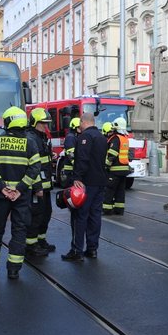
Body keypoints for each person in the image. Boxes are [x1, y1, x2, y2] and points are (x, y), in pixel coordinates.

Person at [0, 106, 40, 279]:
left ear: (8, 122)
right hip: (21, 197)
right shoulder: (31, 143)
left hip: (1, 195)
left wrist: (2, 187)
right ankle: (14, 270)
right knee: (19, 231)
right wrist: (20, 189)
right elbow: (35, 168)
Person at [62, 112, 108, 261]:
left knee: (80, 216)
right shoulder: (102, 137)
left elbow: (82, 159)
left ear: (83, 122)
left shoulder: (85, 137)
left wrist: (77, 177)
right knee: (95, 216)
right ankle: (92, 249)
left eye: (80, 123)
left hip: (86, 183)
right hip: (100, 182)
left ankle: (76, 251)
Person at [25, 107, 54, 257]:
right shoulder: (31, 138)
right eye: (43, 123)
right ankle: (31, 245)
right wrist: (37, 186)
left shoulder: (41, 137)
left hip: (46, 185)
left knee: (46, 213)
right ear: (35, 122)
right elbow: (32, 165)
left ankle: (41, 240)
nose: (46, 126)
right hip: (37, 186)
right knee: (36, 215)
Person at [103, 117, 131, 216]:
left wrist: (106, 166)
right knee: (120, 190)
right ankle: (119, 210)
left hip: (115, 169)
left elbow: (112, 154)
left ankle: (107, 209)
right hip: (124, 169)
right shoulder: (125, 138)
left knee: (109, 189)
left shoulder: (115, 139)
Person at [61, 117, 81, 187]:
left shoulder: (76, 136)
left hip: (73, 170)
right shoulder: (70, 137)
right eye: (79, 127)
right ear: (74, 127)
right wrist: (78, 166)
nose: (81, 129)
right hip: (70, 171)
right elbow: (70, 154)